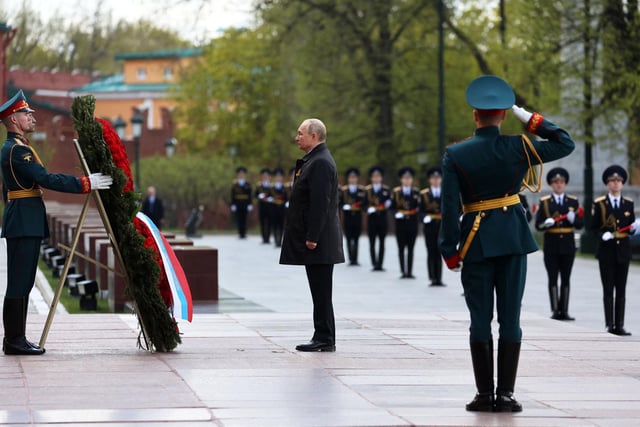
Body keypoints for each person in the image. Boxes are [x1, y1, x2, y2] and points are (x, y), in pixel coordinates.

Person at [439, 75, 575, 412]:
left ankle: (485, 395)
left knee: (480, 319)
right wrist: (528, 116)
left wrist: (450, 250)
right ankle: (507, 395)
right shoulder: (520, 146)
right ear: (502, 115)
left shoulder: (456, 154)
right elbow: (564, 142)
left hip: (476, 242)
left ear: (475, 116)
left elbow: (449, 208)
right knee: (510, 319)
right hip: (513, 240)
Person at [0, 90, 113, 356]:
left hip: (26, 218)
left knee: (24, 282)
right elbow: (46, 178)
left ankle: (17, 338)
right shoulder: (16, 150)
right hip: (23, 220)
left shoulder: (20, 146)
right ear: (13, 119)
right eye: (26, 113)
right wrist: (85, 183)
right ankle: (13, 340)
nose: (32, 117)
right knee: (19, 282)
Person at [280, 118, 344, 352]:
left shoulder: (320, 163)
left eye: (300, 133)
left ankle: (324, 338)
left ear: (314, 136)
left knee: (321, 291)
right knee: (319, 291)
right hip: (319, 239)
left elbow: (320, 203)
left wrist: (312, 236)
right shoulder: (314, 160)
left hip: (320, 241)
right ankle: (323, 336)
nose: (297, 137)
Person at [590, 165, 639, 336]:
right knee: (608, 288)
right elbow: (593, 226)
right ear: (607, 183)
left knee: (622, 289)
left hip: (623, 251)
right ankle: (609, 324)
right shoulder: (600, 204)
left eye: (619, 181)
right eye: (613, 181)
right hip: (607, 251)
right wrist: (602, 234)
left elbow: (629, 227)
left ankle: (620, 324)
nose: (616, 183)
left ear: (623, 183)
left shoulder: (628, 204)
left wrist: (633, 229)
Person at [535, 168, 584, 321]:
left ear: (565, 184)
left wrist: (573, 220)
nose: (559, 185)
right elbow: (538, 226)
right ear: (551, 184)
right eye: (556, 183)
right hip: (552, 244)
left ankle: (565, 310)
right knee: (552, 277)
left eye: (561, 182)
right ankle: (555, 310)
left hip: (568, 245)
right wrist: (545, 224)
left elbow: (580, 225)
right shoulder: (545, 202)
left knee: (566, 277)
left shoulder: (573, 202)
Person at [391, 167, 420, 279]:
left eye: (409, 178)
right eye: (405, 178)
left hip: (412, 224)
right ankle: (403, 271)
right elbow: (392, 207)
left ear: (411, 180)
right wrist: (395, 214)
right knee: (401, 248)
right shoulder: (396, 192)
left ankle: (410, 271)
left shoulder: (416, 192)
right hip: (401, 224)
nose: (407, 180)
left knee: (411, 248)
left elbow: (419, 207)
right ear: (401, 179)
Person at [420, 166, 444, 286]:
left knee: (439, 251)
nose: (436, 180)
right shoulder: (424, 194)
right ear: (430, 180)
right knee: (431, 251)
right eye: (433, 178)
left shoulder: (445, 192)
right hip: (429, 226)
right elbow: (420, 210)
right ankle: (432, 277)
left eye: (438, 178)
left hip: (441, 225)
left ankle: (439, 278)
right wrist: (424, 217)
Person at [365, 165, 391, 271]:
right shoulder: (367, 190)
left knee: (382, 242)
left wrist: (388, 204)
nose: (376, 178)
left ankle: (380, 263)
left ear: (381, 178)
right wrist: (367, 209)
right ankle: (374, 263)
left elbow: (390, 202)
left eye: (378, 176)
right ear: (371, 178)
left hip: (382, 218)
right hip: (372, 219)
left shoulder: (386, 190)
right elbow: (363, 204)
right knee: (372, 242)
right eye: (374, 176)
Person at [340, 167, 366, 266]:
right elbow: (340, 202)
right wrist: (344, 206)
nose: (353, 179)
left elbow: (363, 203)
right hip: (348, 216)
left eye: (354, 177)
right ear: (348, 179)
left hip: (357, 216)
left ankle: (355, 258)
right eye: (351, 178)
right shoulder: (344, 190)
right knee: (349, 237)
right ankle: (351, 258)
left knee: (356, 238)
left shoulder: (361, 190)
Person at [230, 166, 252, 239]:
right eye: (240, 174)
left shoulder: (247, 184)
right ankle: (240, 233)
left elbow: (249, 195)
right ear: (238, 175)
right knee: (239, 219)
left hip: (245, 203)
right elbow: (233, 195)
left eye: (242, 174)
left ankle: (244, 233)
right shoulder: (235, 184)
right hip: (238, 203)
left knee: (244, 218)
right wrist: (233, 204)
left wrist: (250, 204)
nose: (241, 175)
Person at [270, 168, 287, 247]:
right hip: (273, 208)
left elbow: (287, 197)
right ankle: (275, 240)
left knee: (281, 225)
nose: (278, 178)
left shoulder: (285, 187)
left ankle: (279, 240)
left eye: (280, 176)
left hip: (281, 208)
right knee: (274, 225)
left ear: (282, 178)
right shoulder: (271, 187)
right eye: (277, 176)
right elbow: (268, 196)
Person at [255, 168, 272, 244]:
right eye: (264, 176)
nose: (265, 178)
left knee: (269, 222)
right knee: (262, 222)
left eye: (267, 176)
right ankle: (263, 238)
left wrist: (271, 198)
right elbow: (255, 195)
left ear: (269, 177)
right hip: (262, 206)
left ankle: (268, 238)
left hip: (270, 206)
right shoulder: (259, 186)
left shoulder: (272, 186)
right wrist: (259, 196)